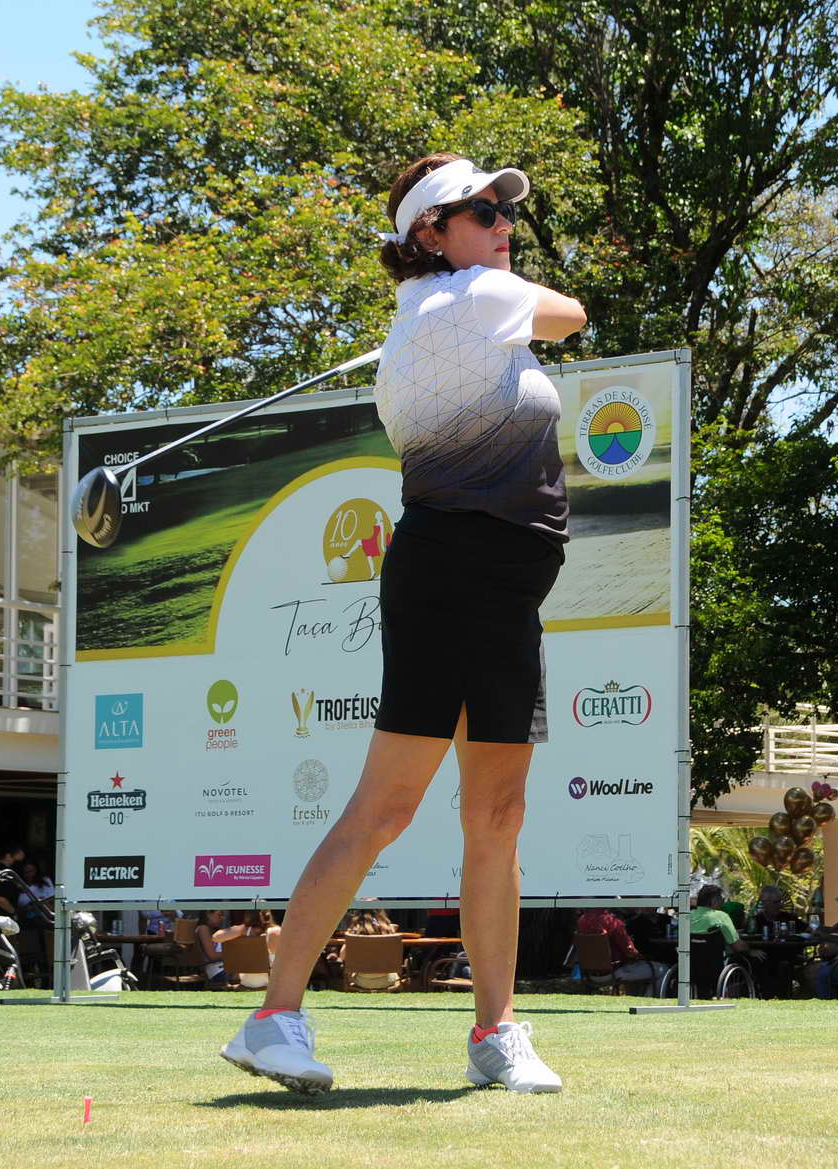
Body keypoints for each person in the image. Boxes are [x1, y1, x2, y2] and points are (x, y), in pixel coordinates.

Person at [221, 151, 587, 1096]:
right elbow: (575, 313)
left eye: (505, 210)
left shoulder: (443, 311)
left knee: (497, 816)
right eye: (482, 212)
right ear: (431, 231)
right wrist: (476, 285)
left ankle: (495, 1032)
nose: (504, 224)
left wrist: (458, 286)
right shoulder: (475, 299)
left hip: (506, 592)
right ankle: (271, 1018)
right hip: (452, 577)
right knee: (384, 808)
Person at [576, 906, 663, 988]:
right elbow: (630, 951)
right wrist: (641, 956)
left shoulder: (582, 920)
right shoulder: (613, 922)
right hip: (614, 972)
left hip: (589, 974)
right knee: (662, 970)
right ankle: (648, 998)